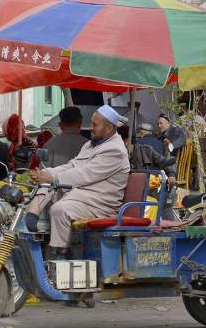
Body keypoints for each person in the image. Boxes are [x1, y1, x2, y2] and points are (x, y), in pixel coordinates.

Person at [26, 106, 130, 256]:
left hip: (99, 203)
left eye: (95, 125)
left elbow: (83, 174)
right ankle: (32, 214)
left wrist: (53, 178)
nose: (91, 128)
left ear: (109, 128)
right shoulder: (91, 144)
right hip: (83, 196)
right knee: (47, 180)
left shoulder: (115, 151)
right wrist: (46, 173)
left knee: (59, 209)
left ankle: (60, 253)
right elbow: (73, 165)